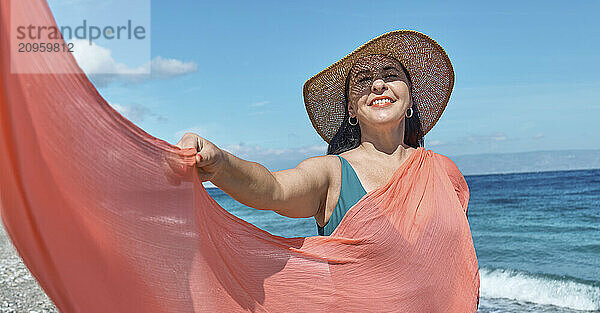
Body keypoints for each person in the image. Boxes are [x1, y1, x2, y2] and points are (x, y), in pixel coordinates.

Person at [173, 30, 460, 238]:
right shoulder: (332, 174)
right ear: (351, 109)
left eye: (391, 74)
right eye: (363, 79)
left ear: (410, 100)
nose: (378, 85)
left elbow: (458, 264)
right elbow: (273, 189)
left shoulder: (443, 172)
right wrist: (220, 163)